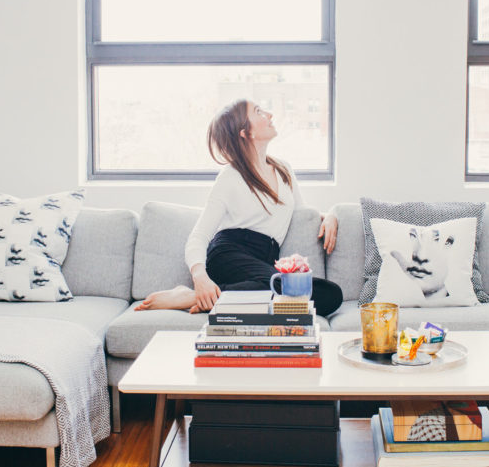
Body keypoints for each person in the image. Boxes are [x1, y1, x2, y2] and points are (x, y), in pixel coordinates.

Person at [135, 99, 344, 316]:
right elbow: (199, 236)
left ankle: (210, 298)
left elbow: (302, 213)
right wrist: (200, 278)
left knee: (330, 294)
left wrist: (328, 216)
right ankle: (193, 295)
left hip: (263, 263)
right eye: (259, 112)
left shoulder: (284, 170)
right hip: (228, 254)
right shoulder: (231, 176)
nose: (270, 114)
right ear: (245, 132)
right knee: (271, 284)